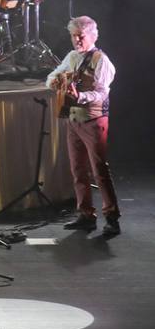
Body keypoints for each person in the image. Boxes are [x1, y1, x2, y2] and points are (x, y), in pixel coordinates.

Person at [47, 16, 119, 237]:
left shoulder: (101, 60)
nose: (77, 40)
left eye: (81, 36)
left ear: (92, 36)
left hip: (94, 121)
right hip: (74, 120)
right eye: (73, 36)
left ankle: (112, 218)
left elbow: (102, 93)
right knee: (78, 170)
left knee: (99, 171)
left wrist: (80, 97)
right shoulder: (71, 57)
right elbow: (51, 76)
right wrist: (55, 81)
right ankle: (86, 215)